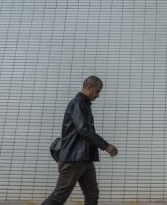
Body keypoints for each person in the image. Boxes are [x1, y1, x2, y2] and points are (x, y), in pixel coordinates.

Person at [42, 76, 119, 205]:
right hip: (73, 159)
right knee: (59, 196)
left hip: (84, 158)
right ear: (89, 88)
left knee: (92, 194)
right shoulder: (77, 103)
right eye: (97, 91)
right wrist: (105, 146)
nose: (98, 95)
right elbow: (83, 129)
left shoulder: (84, 104)